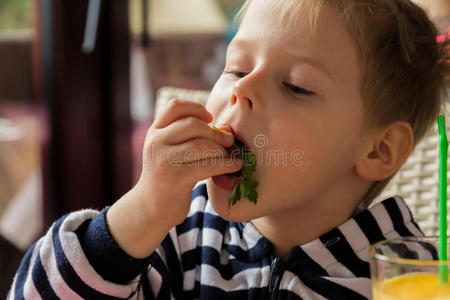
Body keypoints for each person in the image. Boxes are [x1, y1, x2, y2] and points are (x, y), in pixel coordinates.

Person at [8, 0, 450, 299]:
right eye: (236, 69)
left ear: (379, 150)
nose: (242, 91)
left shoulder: (407, 276)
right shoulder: (175, 237)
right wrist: (141, 212)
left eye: (295, 86)